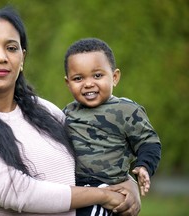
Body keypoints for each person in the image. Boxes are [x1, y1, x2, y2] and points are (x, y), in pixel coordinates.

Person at [0, 8, 141, 216]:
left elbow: (93, 153)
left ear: (22, 58)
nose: (1, 57)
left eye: (11, 48)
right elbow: (17, 193)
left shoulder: (46, 111)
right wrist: (104, 195)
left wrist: (127, 183)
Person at [63, 38, 161, 216]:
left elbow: (149, 141)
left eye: (97, 75)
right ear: (68, 83)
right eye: (78, 78)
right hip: (74, 189)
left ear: (114, 77)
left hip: (108, 188)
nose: (88, 83)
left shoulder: (126, 110)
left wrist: (144, 166)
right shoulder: (67, 112)